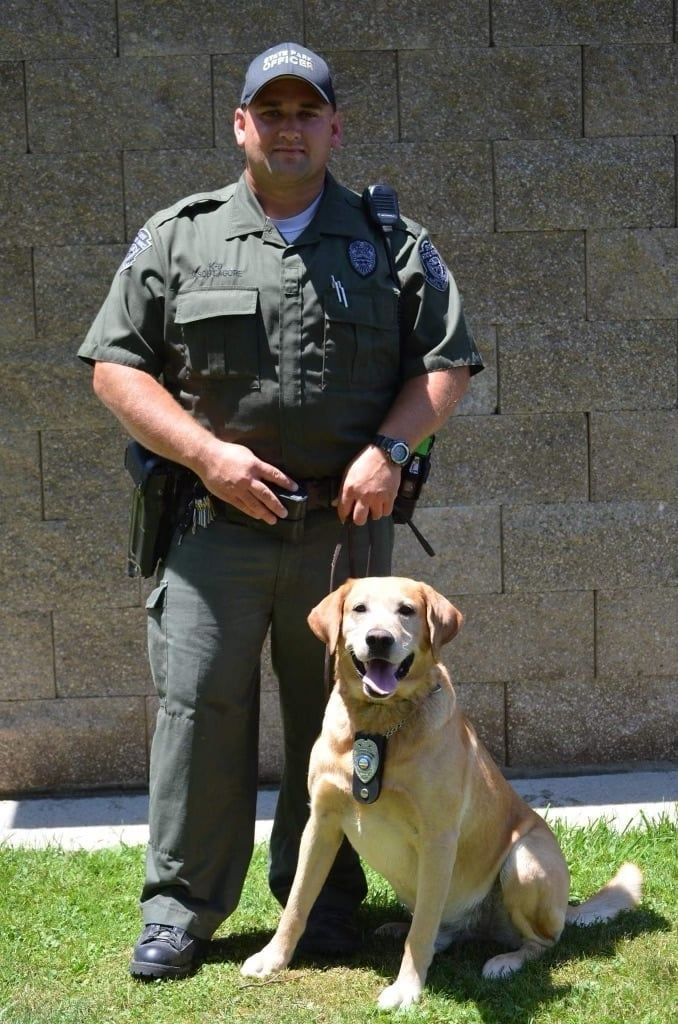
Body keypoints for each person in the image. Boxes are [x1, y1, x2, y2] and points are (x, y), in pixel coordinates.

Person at [78, 41, 483, 980]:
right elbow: (113, 367)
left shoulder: (391, 241)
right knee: (200, 710)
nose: (289, 127)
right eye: (272, 111)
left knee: (341, 714)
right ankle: (180, 910)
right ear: (241, 125)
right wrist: (208, 456)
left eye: (308, 112)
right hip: (212, 531)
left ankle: (329, 908)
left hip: (344, 542)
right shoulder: (180, 236)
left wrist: (392, 451)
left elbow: (447, 364)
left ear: (334, 128)